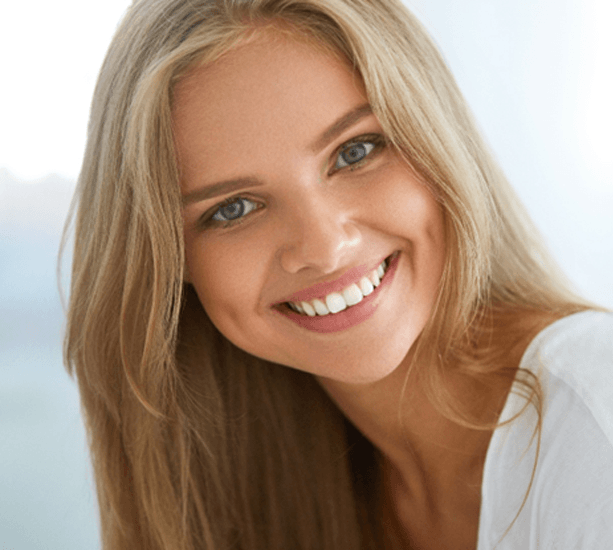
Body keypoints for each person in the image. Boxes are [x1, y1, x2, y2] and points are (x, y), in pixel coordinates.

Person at [62, 0, 613, 548]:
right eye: (233, 208)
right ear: (169, 262)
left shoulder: (596, 419)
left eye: (355, 151)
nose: (324, 248)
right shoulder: (252, 488)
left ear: (436, 137)